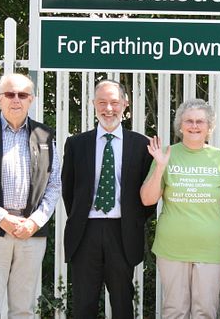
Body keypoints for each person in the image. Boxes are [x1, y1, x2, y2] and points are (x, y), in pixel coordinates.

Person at [0, 73, 61, 318]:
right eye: (9, 94)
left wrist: (35, 222)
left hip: (31, 233)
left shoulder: (45, 135)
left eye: (23, 95)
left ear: (32, 100)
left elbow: (54, 184)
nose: (16, 100)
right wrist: (1, 218)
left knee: (23, 310)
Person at [62, 79, 156, 319]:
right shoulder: (76, 144)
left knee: (123, 302)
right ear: (93, 104)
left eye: (114, 102)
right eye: (102, 102)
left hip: (122, 231)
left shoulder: (142, 145)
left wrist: (133, 220)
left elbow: (148, 197)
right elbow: (68, 189)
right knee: (84, 303)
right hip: (85, 231)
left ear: (125, 104)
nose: (109, 109)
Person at [140, 98, 220, 318]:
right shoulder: (166, 154)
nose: (194, 126)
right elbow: (147, 199)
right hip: (172, 247)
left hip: (211, 247)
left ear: (209, 127)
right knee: (175, 310)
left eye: (200, 122)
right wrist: (160, 167)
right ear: (180, 126)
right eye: (189, 121)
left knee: (206, 310)